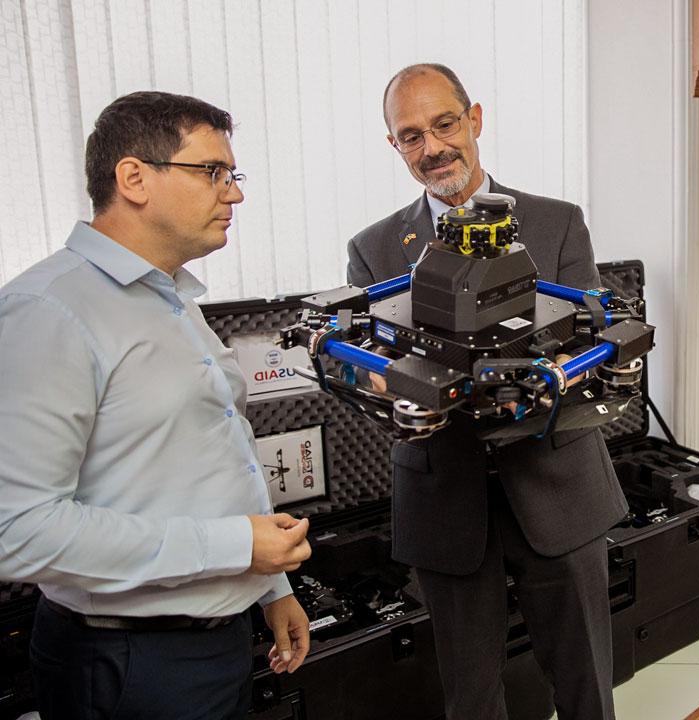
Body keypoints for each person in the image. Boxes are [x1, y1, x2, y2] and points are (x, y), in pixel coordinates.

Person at [0, 91, 312, 719]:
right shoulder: (48, 312)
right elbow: (18, 531)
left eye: (234, 174)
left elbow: (210, 460)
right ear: (134, 177)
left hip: (213, 644)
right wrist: (233, 548)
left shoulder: (171, 299)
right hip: (127, 665)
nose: (234, 193)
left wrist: (268, 586)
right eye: (212, 172)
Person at [347, 64, 622, 719]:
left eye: (444, 124)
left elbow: (588, 339)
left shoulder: (558, 223)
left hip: (557, 484)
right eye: (410, 136)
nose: (433, 147)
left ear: (475, 118)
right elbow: (375, 370)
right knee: (470, 699)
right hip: (445, 497)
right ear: (394, 146)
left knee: (586, 686)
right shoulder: (373, 249)